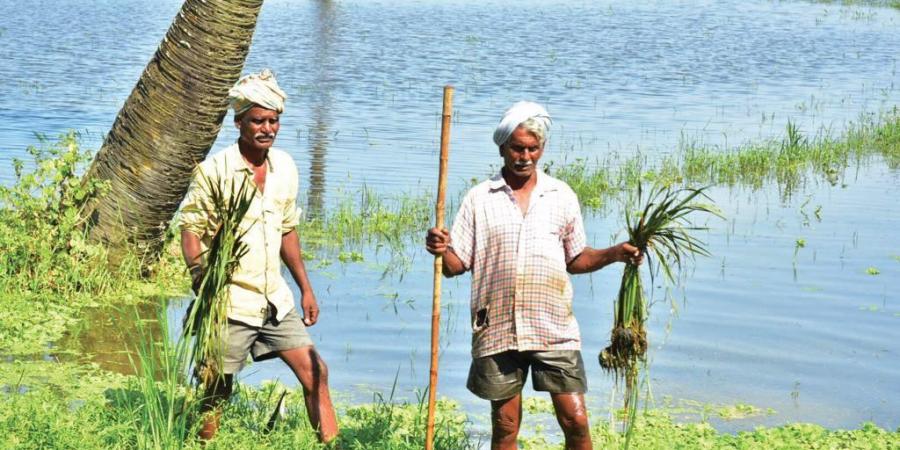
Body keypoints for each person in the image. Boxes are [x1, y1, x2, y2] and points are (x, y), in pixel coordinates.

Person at [425, 101, 643, 450]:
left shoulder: (561, 196)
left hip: (553, 327)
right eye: (517, 148)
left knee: (576, 420)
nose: (525, 156)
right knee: (506, 425)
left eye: (532, 148)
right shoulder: (479, 199)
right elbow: (455, 266)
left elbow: (576, 258)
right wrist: (440, 247)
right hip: (496, 328)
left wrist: (615, 253)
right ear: (502, 148)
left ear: (541, 149)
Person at [180, 69, 338, 443]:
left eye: (273, 121)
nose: (266, 128)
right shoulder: (216, 171)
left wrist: (306, 288)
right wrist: (199, 273)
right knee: (216, 387)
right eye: (258, 121)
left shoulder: (285, 167)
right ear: (239, 123)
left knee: (317, 372)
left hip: (274, 300)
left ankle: (334, 444)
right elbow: (190, 229)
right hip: (230, 301)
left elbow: (287, 230)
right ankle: (205, 443)